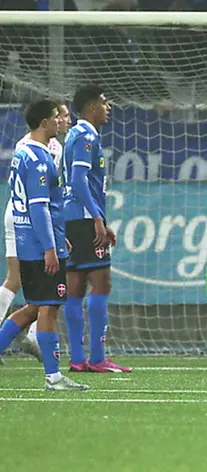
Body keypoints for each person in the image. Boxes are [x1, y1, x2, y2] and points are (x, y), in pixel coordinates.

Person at [0, 99, 87, 390]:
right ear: (43, 123)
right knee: (48, 308)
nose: (59, 121)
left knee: (35, 307)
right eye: (54, 117)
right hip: (39, 245)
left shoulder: (23, 153)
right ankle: (54, 377)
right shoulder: (38, 159)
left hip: (30, 240)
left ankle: (53, 375)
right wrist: (51, 246)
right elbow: (39, 207)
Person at [63, 85, 129, 373]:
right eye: (104, 103)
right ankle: (98, 357)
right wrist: (97, 218)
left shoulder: (74, 135)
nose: (108, 107)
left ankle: (78, 359)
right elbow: (78, 181)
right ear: (91, 108)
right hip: (83, 218)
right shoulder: (87, 135)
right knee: (101, 281)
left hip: (72, 217)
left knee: (75, 287)